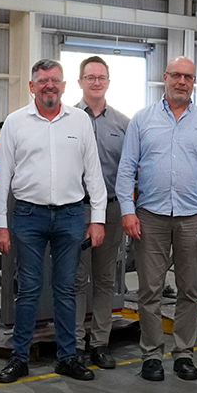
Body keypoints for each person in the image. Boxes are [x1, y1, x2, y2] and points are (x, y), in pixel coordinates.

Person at [0, 59, 107, 383]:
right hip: (28, 215)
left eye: (55, 80)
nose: (49, 86)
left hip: (71, 215)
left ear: (64, 86)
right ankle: (19, 357)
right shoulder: (16, 123)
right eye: (43, 81)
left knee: (66, 289)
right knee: (28, 288)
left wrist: (97, 219)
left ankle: (67, 357)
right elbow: (1, 177)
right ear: (32, 86)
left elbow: (93, 173)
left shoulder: (80, 121)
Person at [116, 56, 197, 382]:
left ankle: (184, 354)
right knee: (149, 290)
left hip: (193, 216)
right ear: (165, 77)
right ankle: (151, 355)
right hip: (150, 216)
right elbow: (126, 168)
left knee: (189, 290)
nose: (181, 81)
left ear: (194, 82)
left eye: (188, 77)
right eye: (176, 75)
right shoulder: (142, 119)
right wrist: (127, 210)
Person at [73, 56, 130, 370]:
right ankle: (74, 345)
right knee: (76, 280)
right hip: (76, 210)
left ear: (108, 82)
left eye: (101, 77)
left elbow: (131, 169)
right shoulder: (68, 119)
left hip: (111, 209)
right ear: (80, 81)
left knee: (105, 279)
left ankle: (99, 344)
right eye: (90, 77)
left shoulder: (123, 124)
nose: (96, 82)